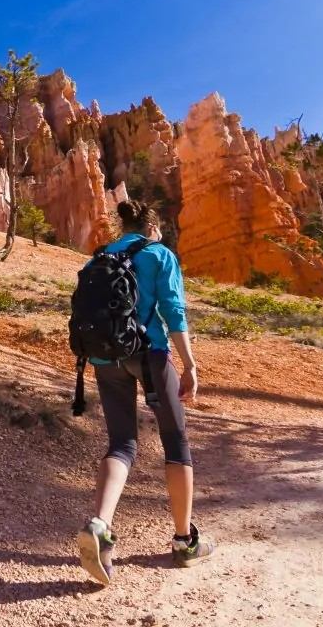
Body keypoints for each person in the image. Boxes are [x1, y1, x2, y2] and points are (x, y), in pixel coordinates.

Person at [76, 199, 215, 585]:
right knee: (176, 441)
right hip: (150, 355)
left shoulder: (99, 257)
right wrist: (189, 364)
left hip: (105, 359)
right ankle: (184, 541)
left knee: (122, 444)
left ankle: (100, 526)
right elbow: (174, 311)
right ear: (153, 228)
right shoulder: (159, 254)